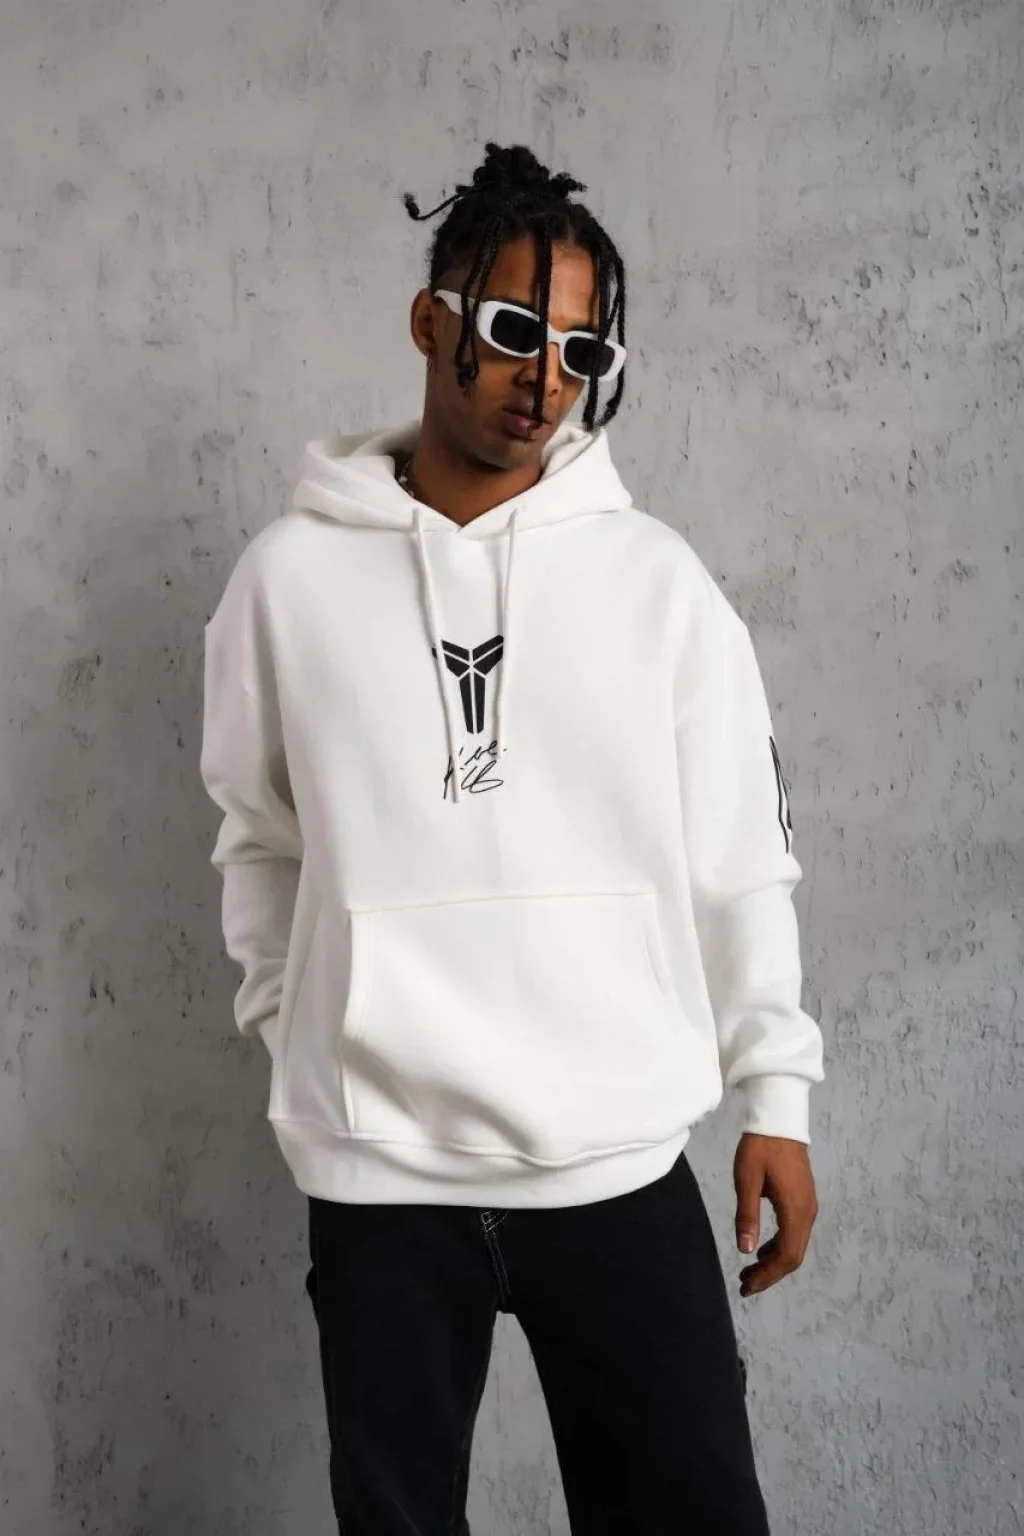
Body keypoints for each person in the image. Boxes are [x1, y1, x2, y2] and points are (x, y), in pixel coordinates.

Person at [199, 140, 825, 1535]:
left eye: (583, 349)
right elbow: (258, 834)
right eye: (514, 330)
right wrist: (301, 1028)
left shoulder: (658, 583)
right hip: (380, 1173)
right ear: (432, 323)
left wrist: (775, 1093)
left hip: (614, 1155)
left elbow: (741, 853)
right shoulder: (286, 582)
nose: (547, 376)